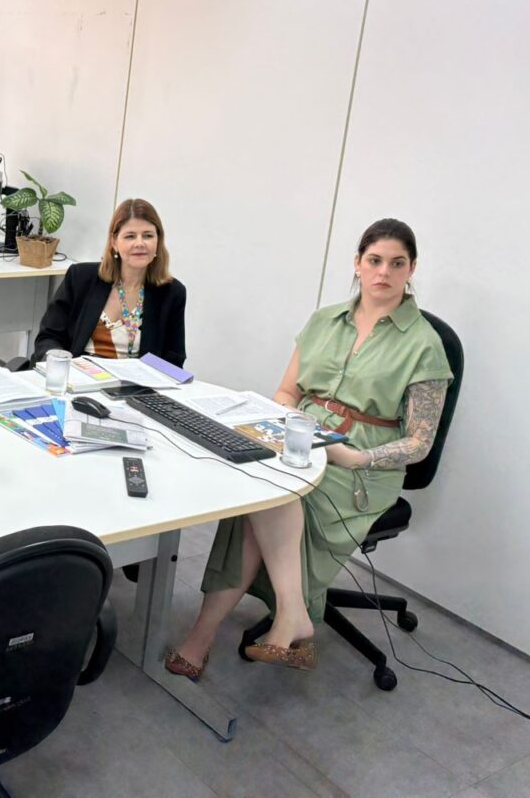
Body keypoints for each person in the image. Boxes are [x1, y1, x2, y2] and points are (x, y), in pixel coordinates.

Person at [165, 219, 453, 677]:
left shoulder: (425, 345)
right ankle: (288, 614)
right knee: (256, 491)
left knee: (274, 494)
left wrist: (358, 456)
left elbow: (420, 442)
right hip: (302, 438)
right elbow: (285, 391)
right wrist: (285, 424)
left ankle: (210, 637)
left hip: (361, 467)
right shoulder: (324, 321)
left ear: (411, 269)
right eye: (374, 261)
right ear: (357, 264)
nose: (384, 272)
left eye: (397, 264)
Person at [33, 198, 186, 367]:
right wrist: (59, 367)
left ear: (158, 241)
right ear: (114, 242)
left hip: (135, 387)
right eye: (130, 236)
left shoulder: (172, 292)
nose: (140, 243)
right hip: (76, 378)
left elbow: (174, 360)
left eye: (148, 235)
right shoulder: (80, 278)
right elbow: (48, 337)